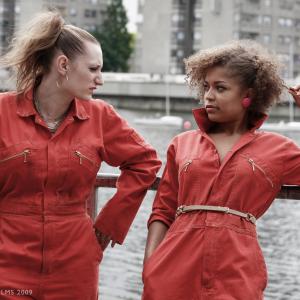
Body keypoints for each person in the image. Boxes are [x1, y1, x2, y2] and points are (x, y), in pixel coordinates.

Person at [0, 11, 161, 300]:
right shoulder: (2, 112)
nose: (100, 79)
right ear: (63, 65)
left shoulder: (100, 117)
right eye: (94, 69)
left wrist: (112, 220)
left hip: (74, 264)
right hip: (7, 264)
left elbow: (145, 162)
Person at [142, 40, 300, 300]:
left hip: (238, 272)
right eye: (206, 86)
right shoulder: (182, 143)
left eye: (220, 88)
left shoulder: (278, 149)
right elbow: (163, 209)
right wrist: (150, 265)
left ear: (249, 95)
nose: (209, 96)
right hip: (172, 269)